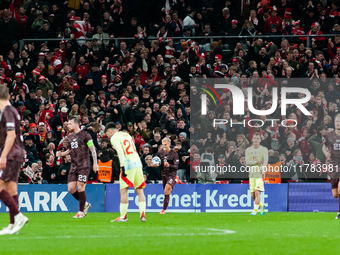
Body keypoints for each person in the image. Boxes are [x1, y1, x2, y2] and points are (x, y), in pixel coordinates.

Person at [56, 117, 98, 218]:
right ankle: (86, 204)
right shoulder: (69, 137)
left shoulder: (85, 135)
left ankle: (81, 211)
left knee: (80, 187)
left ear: (76, 125)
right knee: (71, 189)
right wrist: (61, 154)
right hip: (74, 165)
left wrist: (96, 163)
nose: (67, 126)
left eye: (70, 124)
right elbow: (70, 151)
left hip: (84, 165)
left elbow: (92, 149)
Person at [0, 84, 28, 235]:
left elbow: (11, 135)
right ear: (9, 96)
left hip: (10, 154)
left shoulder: (7, 111)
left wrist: (3, 156)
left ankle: (18, 217)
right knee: (11, 190)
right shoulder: (12, 111)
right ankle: (12, 225)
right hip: (16, 154)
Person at [104, 122, 146, 222]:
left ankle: (123, 217)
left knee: (123, 190)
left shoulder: (114, 138)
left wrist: (122, 166)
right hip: (137, 163)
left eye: (107, 134)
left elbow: (120, 152)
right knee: (140, 190)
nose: (108, 136)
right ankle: (142, 215)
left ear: (110, 131)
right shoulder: (126, 134)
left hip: (128, 164)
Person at [245, 132, 268, 216]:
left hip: (259, 174)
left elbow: (265, 160)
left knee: (257, 192)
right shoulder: (248, 150)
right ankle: (261, 206)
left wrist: (263, 167)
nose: (256, 140)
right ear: (252, 139)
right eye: (254, 138)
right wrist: (257, 162)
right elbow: (247, 162)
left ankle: (254, 211)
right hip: (252, 174)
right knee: (253, 194)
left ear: (260, 140)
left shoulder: (264, 149)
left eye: (258, 138)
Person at [154, 137, 179, 214]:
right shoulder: (160, 152)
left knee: (166, 190)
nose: (164, 146)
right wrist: (154, 164)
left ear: (169, 144)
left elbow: (176, 167)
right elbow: (158, 162)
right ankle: (176, 180)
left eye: (165, 145)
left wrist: (169, 166)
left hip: (171, 173)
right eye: (163, 144)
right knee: (167, 191)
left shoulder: (174, 154)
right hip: (163, 174)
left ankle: (163, 210)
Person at [322, 113, 340, 219]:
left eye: (339, 121)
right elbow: (324, 146)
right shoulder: (329, 135)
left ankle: (339, 212)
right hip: (334, 165)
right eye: (337, 121)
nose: (338, 123)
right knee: (335, 194)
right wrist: (326, 153)